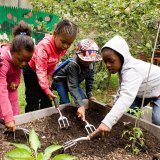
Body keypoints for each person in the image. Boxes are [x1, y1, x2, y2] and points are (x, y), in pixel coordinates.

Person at [91, 35, 160, 137]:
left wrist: (107, 122)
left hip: (157, 88)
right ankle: (132, 135)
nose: (108, 65)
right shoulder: (123, 69)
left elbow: (126, 96)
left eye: (111, 61)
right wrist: (115, 103)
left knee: (157, 120)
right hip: (142, 91)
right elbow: (122, 88)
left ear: (122, 57)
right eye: (105, 62)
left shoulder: (132, 70)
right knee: (128, 114)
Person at [23, 19, 78, 112]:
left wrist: (49, 75)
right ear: (55, 34)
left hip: (45, 71)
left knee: (47, 100)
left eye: (69, 43)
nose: (65, 46)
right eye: (63, 42)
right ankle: (31, 119)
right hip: (32, 71)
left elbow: (54, 62)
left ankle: (45, 119)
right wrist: (46, 88)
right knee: (33, 98)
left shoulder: (61, 48)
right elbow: (40, 70)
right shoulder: (44, 47)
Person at [52, 39, 102, 121]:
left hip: (74, 80)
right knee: (66, 102)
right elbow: (72, 86)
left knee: (83, 100)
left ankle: (79, 115)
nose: (88, 62)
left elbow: (90, 78)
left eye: (90, 60)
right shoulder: (73, 65)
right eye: (85, 60)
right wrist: (80, 105)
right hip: (61, 80)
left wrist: (89, 94)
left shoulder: (91, 62)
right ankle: (66, 118)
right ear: (78, 56)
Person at [0, 23, 34, 131]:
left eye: (27, 61)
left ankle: (12, 128)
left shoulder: (19, 57)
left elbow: (17, 72)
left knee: (14, 111)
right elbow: (1, 90)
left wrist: (15, 82)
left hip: (10, 88)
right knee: (4, 114)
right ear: (12, 51)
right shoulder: (3, 61)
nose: (24, 63)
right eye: (21, 60)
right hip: (2, 89)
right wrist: (8, 117)